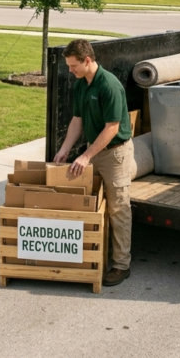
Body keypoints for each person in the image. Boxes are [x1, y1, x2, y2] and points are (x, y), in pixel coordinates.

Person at [52, 39, 135, 287]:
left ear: (87, 60)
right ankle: (92, 256)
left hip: (115, 154)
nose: (70, 70)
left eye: (73, 65)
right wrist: (65, 150)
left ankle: (121, 265)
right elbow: (77, 120)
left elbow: (112, 128)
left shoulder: (109, 85)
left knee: (118, 208)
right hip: (93, 151)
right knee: (92, 205)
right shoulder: (81, 85)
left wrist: (86, 156)